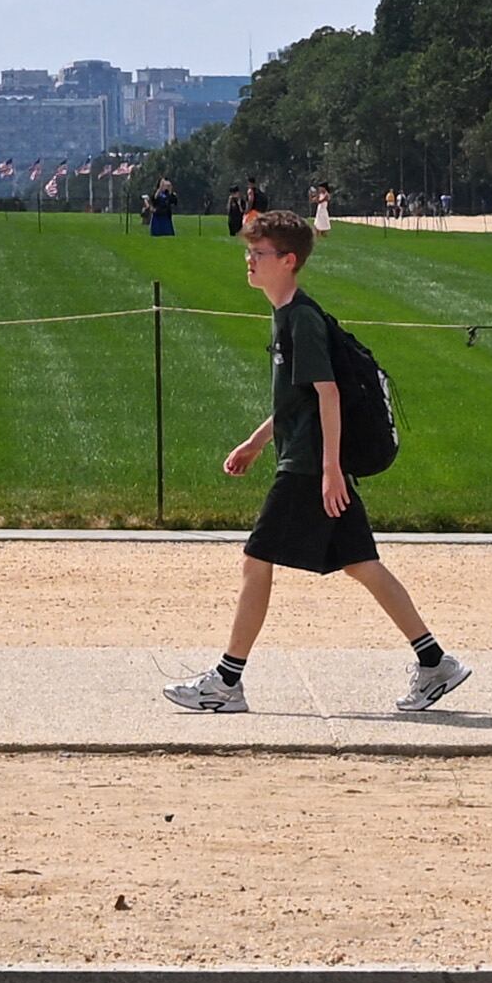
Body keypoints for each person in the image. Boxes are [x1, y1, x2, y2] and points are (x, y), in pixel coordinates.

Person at [164, 211, 465, 719]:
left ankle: (226, 681)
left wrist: (328, 469)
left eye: (258, 254)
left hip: (307, 469)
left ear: (288, 261)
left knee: (256, 561)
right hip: (309, 460)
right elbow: (297, 401)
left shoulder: (300, 318)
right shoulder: (287, 314)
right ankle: (435, 662)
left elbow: (329, 395)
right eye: (249, 252)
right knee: (361, 565)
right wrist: (257, 442)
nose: (249, 261)